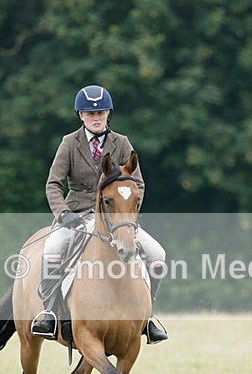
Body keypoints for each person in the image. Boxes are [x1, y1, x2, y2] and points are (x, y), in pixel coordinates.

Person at [31, 84, 168, 344]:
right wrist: (63, 214)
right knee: (51, 250)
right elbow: (53, 184)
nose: (96, 118)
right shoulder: (69, 144)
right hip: (76, 214)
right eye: (90, 114)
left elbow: (137, 184)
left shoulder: (122, 143)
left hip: (116, 218)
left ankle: (147, 316)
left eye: (101, 113)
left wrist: (127, 215)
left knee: (157, 255)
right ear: (80, 116)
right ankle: (49, 313)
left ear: (108, 114)